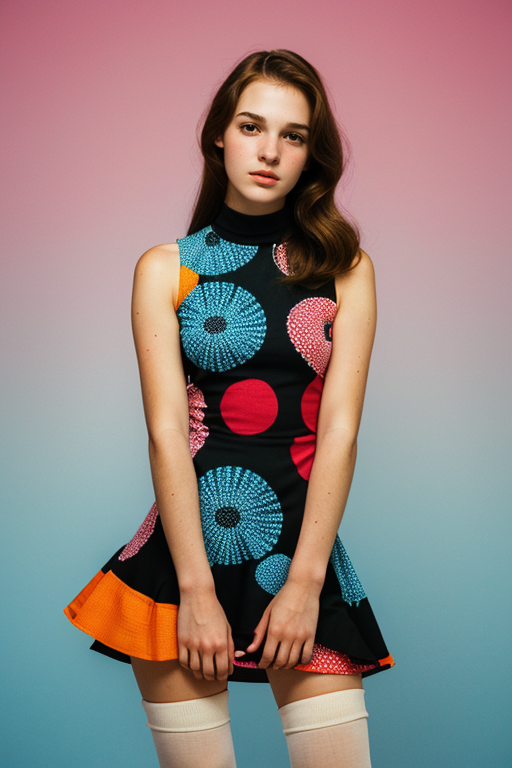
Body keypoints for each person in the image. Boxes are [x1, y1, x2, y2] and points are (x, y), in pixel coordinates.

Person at [64, 49, 394, 768]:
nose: (270, 151)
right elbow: (165, 436)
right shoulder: (166, 269)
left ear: (313, 152)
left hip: (301, 558)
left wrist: (307, 584)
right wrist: (196, 593)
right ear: (219, 133)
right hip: (183, 565)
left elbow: (339, 432)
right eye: (252, 126)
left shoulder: (347, 270)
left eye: (294, 135)